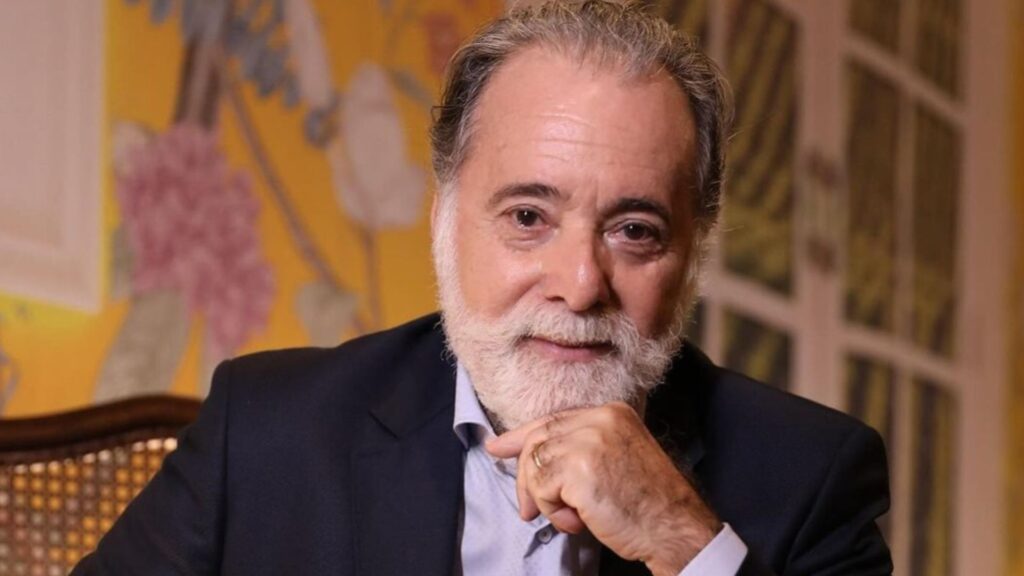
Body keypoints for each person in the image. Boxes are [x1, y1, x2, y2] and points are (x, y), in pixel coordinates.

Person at [72, 1, 891, 575]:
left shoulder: (813, 474)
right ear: (445, 223)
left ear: (693, 255)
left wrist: (686, 542)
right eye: (529, 217)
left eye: (635, 230)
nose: (580, 286)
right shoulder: (267, 430)